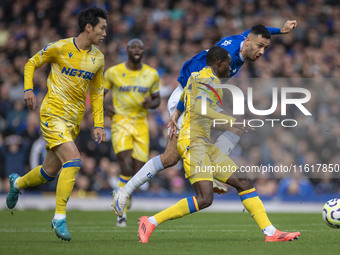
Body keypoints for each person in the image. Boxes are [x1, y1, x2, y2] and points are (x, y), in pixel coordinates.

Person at [113, 21, 300, 242]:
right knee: (183, 159)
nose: (261, 52)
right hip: (188, 94)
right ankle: (126, 192)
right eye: (260, 46)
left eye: (265, 48)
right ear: (246, 42)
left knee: (176, 157)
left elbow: (257, 32)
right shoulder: (215, 66)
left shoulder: (242, 43)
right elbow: (195, 89)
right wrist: (180, 109)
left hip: (194, 96)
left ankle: (270, 232)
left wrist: (281, 30)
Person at [5, 7, 107, 241]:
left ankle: (17, 183)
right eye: (102, 28)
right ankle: (59, 217)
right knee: (73, 160)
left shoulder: (98, 58)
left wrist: (99, 124)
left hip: (73, 121)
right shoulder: (59, 47)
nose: (104, 33)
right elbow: (31, 63)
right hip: (52, 113)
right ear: (88, 27)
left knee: (49, 171)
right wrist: (28, 89)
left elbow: (98, 93)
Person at [103, 38, 160, 227]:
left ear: (143, 52)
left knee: (138, 171)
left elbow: (157, 99)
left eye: (140, 48)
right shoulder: (113, 72)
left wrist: (149, 104)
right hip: (120, 121)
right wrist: (106, 107)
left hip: (141, 123)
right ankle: (122, 213)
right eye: (133, 47)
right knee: (125, 166)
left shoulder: (151, 74)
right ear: (126, 50)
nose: (137, 50)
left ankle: (125, 193)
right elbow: (98, 94)